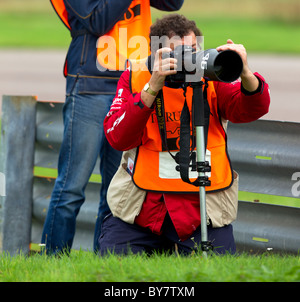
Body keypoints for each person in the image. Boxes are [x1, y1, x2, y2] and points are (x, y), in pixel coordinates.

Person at [41, 0, 185, 254]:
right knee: (72, 186)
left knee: (114, 186)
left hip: (132, 85)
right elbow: (91, 20)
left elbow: (172, 0)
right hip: (90, 86)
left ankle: (104, 261)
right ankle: (53, 261)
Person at [98, 14, 270, 256]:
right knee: (112, 267)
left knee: (218, 271)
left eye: (191, 52)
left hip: (202, 208)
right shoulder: (136, 76)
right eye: (174, 54)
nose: (184, 61)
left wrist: (245, 73)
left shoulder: (210, 78)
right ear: (155, 53)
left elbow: (252, 108)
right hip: (144, 207)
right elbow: (118, 137)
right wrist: (152, 86)